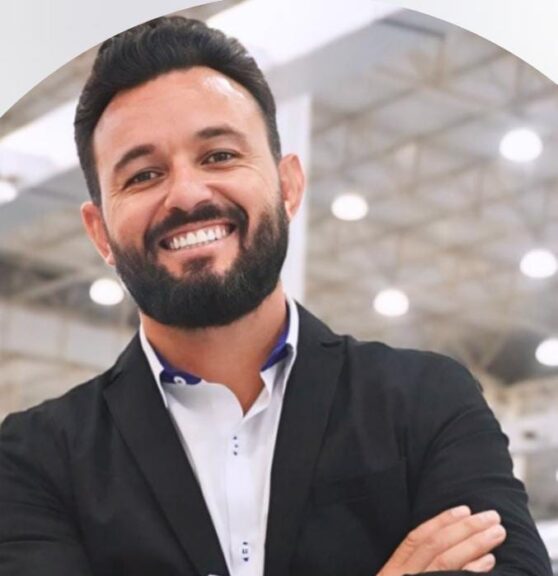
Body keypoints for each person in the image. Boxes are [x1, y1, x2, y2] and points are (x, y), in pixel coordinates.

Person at [0, 16, 551, 576]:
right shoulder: (33, 458)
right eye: (143, 175)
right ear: (100, 233)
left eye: (219, 155)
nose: (186, 193)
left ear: (288, 186)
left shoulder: (424, 401)